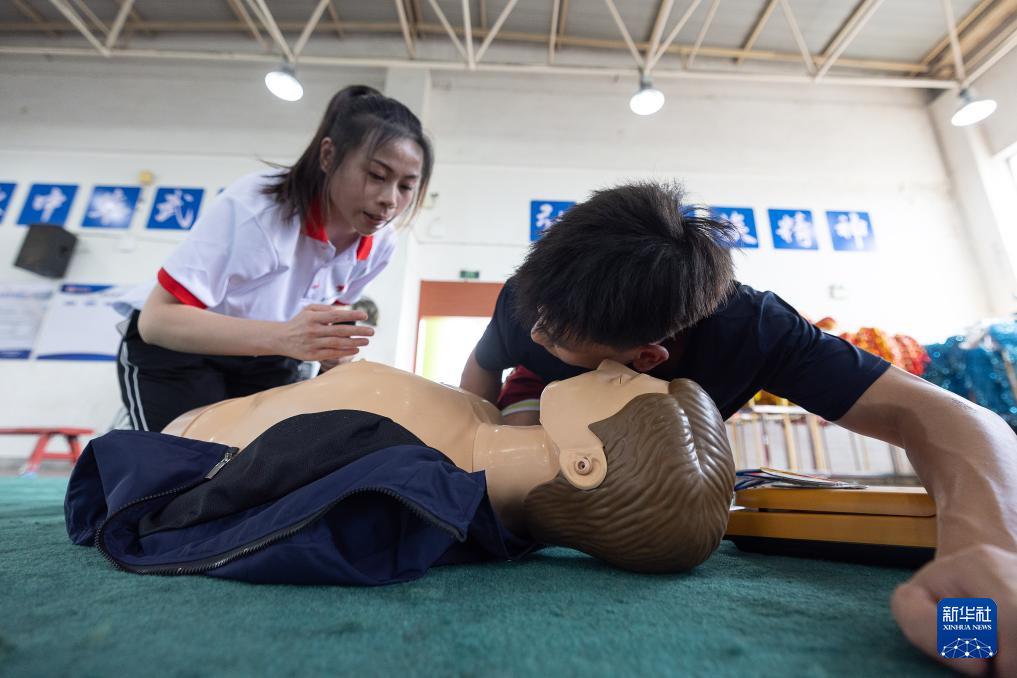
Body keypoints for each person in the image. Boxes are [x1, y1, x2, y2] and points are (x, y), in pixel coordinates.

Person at [459, 180, 1017, 671]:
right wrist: (461, 462)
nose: (536, 334)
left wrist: (986, 545)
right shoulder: (528, 303)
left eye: (557, 338)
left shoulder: (756, 331)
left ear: (646, 358)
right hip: (533, 403)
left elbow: (954, 416)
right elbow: (483, 367)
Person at [163, 359, 737, 573]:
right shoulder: (476, 425)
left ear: (584, 464)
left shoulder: (399, 458)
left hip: (186, 435)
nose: (615, 364)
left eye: (625, 384)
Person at [115, 85, 433, 432]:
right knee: (189, 458)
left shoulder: (381, 243)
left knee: (269, 458)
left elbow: (327, 321)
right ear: (328, 156)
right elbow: (157, 321)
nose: (390, 200)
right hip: (178, 351)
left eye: (406, 186)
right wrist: (283, 337)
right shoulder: (257, 209)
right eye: (376, 176)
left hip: (267, 357)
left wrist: (333, 354)